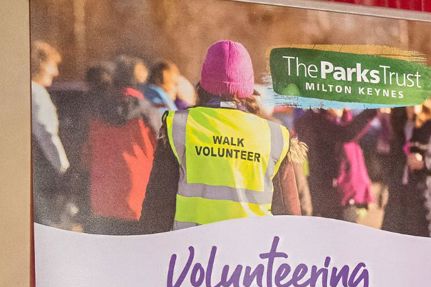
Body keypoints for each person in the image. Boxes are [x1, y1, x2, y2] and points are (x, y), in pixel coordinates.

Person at [139, 39, 300, 231]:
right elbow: (290, 221)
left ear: (204, 83)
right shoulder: (275, 135)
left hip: (189, 254)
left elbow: (157, 209)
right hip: (250, 255)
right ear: (248, 86)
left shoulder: (179, 126)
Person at [83, 54, 159, 234]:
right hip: (138, 198)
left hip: (103, 199)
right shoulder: (148, 112)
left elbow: (87, 154)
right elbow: (162, 152)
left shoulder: (97, 110)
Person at [293, 107, 378, 221]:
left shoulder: (332, 120)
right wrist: (372, 110)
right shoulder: (314, 121)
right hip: (329, 194)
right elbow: (346, 133)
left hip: (343, 195)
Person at [380, 101, 431, 237]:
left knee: (423, 251)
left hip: (423, 201)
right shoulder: (398, 126)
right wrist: (390, 183)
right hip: (398, 201)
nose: (412, 106)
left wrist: (424, 163)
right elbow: (391, 162)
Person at [30, 41, 71, 227]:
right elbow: (46, 134)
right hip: (44, 170)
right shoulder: (36, 93)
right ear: (40, 64)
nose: (56, 72)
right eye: (52, 65)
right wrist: (63, 167)